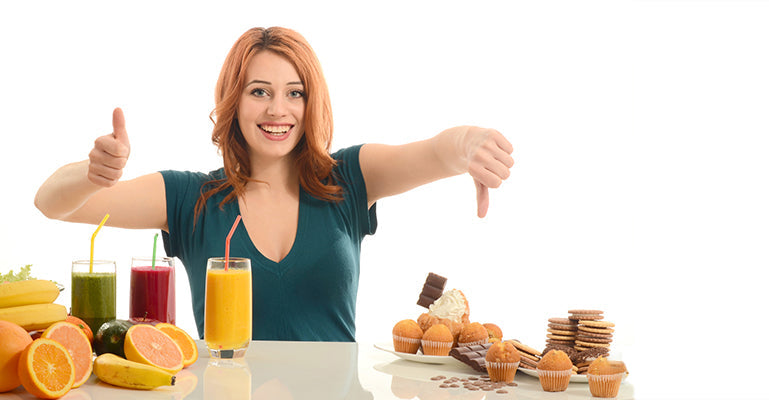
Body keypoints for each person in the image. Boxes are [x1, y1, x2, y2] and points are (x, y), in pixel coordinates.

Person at [34, 27, 514, 342]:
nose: (277, 110)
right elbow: (53, 204)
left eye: (294, 93)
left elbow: (433, 151)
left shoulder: (349, 179)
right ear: (234, 101)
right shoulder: (190, 199)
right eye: (259, 91)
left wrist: (468, 145)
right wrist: (90, 173)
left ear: (311, 103)